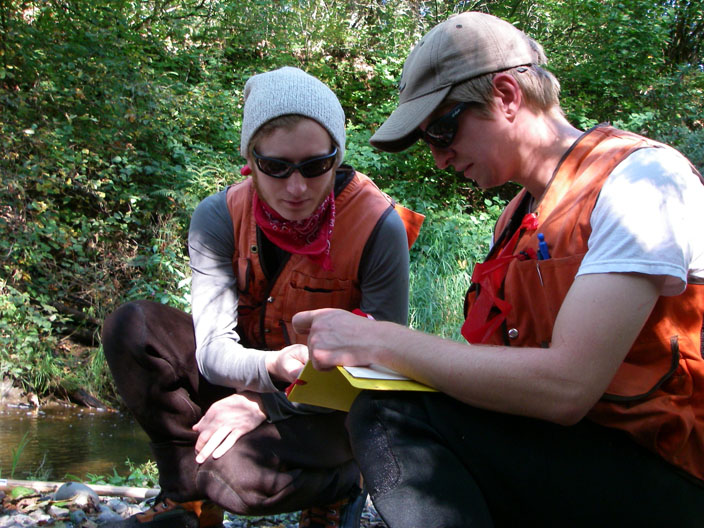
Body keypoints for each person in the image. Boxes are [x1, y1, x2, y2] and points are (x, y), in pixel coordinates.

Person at [292, 12, 704, 527]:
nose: (439, 158)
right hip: (568, 455)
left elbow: (568, 387)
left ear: (507, 95)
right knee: (390, 406)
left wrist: (380, 342)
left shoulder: (642, 180)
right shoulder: (514, 220)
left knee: (390, 416)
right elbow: (502, 379)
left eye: (442, 130)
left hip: (667, 473)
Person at [101, 66, 422, 528]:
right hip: (253, 373)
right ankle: (186, 498)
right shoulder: (218, 217)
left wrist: (263, 404)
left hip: (335, 410)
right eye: (276, 167)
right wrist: (271, 370)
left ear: (337, 157)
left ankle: (342, 485)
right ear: (250, 159)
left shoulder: (379, 227)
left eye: (315, 166)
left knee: (231, 477)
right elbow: (212, 352)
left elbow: (381, 375)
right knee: (132, 327)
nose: (297, 187)